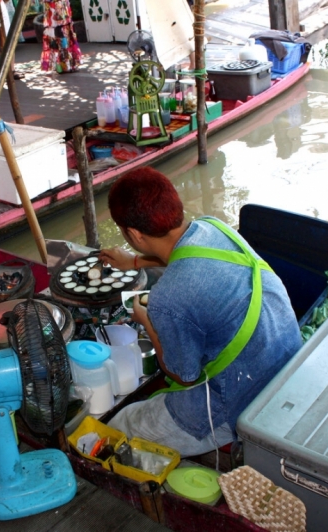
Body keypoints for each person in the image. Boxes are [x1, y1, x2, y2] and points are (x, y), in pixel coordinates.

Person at [100, 168, 302, 457]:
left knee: (121, 425)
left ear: (133, 233)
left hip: (242, 398)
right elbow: (188, 259)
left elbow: (184, 376)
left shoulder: (166, 300)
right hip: (286, 359)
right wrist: (134, 262)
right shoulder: (213, 227)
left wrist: (148, 322)